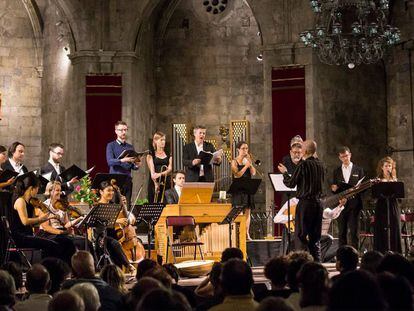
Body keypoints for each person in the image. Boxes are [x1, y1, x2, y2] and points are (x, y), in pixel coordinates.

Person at [278, 140, 324, 261]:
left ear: (305, 151)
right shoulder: (320, 164)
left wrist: (285, 173)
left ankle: (302, 263)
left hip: (306, 204)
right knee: (315, 237)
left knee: (301, 235)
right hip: (318, 203)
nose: (300, 149)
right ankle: (317, 264)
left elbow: (291, 183)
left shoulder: (303, 164)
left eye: (302, 147)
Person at [9, 172, 71, 263]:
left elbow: (34, 223)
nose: (38, 191)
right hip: (20, 237)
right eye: (37, 188)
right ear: (31, 189)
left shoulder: (30, 202)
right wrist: (41, 219)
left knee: (61, 242)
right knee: (52, 245)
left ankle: (58, 268)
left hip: (28, 235)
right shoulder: (20, 201)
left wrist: (47, 218)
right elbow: (25, 221)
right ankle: (49, 268)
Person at [95, 180, 137, 272]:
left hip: (113, 235)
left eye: (112, 191)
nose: (111, 193)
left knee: (115, 243)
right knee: (114, 243)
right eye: (108, 190)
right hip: (101, 237)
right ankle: (128, 265)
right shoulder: (97, 206)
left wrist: (124, 205)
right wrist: (117, 221)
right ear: (101, 192)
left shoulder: (113, 205)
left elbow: (124, 218)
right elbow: (100, 224)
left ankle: (120, 273)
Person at [331, 146, 365, 248]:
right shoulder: (336, 171)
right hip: (341, 204)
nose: (345, 158)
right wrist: (334, 189)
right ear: (339, 158)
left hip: (355, 204)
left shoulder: (358, 170)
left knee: (354, 231)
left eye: (346, 156)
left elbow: (363, 188)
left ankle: (354, 254)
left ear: (350, 155)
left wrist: (356, 189)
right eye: (342, 157)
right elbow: (334, 188)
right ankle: (342, 255)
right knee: (342, 232)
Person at [106, 121, 142, 203]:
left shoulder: (130, 147)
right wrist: (122, 160)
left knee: (127, 205)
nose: (124, 132)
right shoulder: (111, 145)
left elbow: (131, 166)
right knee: (115, 205)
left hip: (127, 180)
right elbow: (110, 162)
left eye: (125, 130)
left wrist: (137, 165)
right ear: (116, 131)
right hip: (115, 181)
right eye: (121, 130)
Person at [373, 156, 402, 253]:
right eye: (386, 166)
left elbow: (399, 196)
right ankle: (381, 252)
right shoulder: (378, 180)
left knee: (394, 227)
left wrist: (394, 181)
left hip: (393, 206)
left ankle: (395, 252)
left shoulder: (395, 180)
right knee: (381, 229)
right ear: (382, 167)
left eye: (390, 166)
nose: (388, 168)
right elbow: (375, 195)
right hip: (381, 206)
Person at [231, 141, 256, 240]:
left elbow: (253, 173)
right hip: (238, 189)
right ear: (238, 150)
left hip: (248, 188)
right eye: (243, 148)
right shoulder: (234, 161)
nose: (245, 150)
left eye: (246, 148)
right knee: (239, 212)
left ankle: (246, 233)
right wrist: (245, 166)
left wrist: (250, 164)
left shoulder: (248, 160)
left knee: (247, 212)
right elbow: (237, 175)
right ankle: (239, 234)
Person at [146, 131, 172, 203]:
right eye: (161, 140)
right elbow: (152, 172)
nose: (163, 142)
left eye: (164, 140)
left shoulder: (168, 153)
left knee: (166, 202)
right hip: (154, 181)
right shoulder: (151, 154)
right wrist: (155, 184)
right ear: (155, 141)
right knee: (154, 202)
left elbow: (170, 168)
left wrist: (160, 174)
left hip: (166, 181)